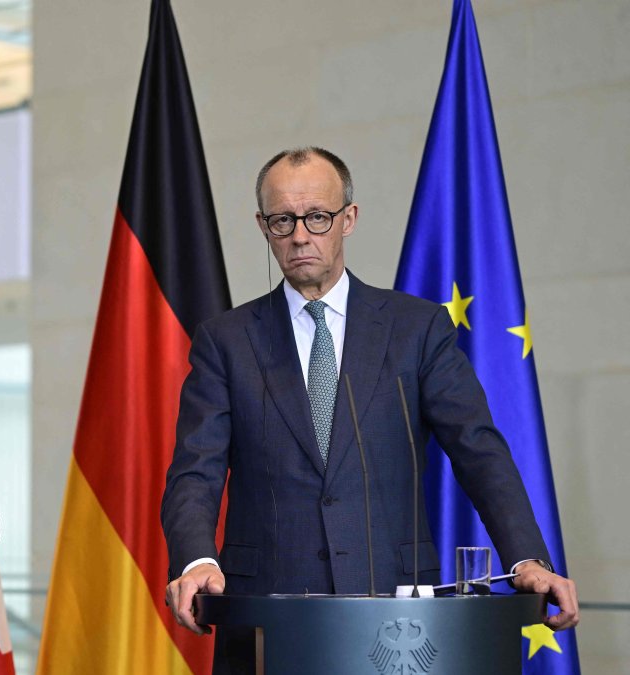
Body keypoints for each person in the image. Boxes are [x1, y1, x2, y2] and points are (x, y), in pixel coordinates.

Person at [160, 148, 578, 668]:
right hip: (268, 616)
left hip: (398, 614)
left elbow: (478, 449)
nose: (299, 235)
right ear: (263, 227)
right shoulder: (226, 340)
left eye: (317, 216)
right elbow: (194, 471)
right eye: (282, 220)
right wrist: (197, 558)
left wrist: (525, 557)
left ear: (348, 219)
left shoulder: (415, 329)